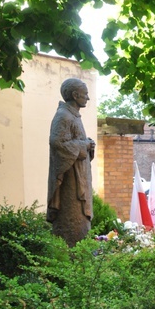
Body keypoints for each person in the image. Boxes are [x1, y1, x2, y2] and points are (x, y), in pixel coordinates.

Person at [47, 78, 95, 247]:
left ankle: (79, 261)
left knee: (80, 224)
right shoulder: (63, 116)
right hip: (70, 182)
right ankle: (70, 259)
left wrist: (88, 144)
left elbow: (73, 141)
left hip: (79, 177)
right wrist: (84, 145)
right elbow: (57, 143)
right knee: (71, 221)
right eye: (85, 94)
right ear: (75, 95)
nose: (87, 98)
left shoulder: (73, 115)